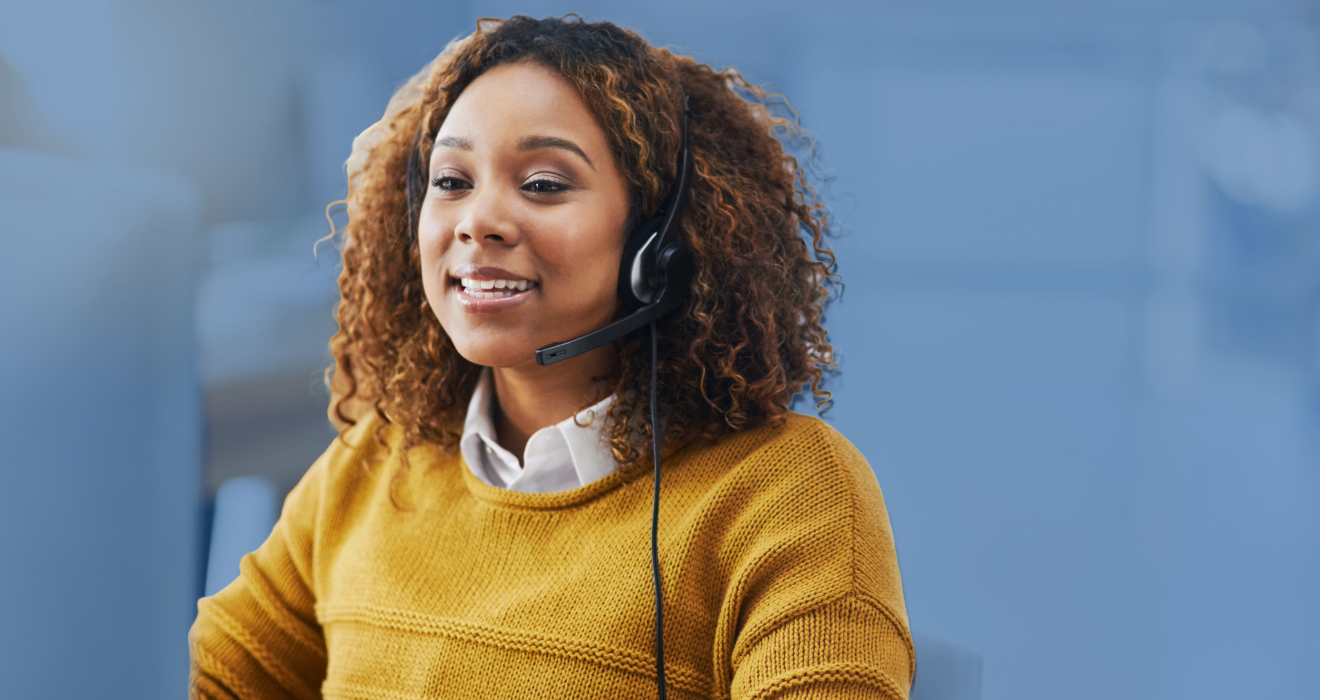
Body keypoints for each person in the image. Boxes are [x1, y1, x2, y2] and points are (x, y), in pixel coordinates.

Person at [189, 15, 914, 700]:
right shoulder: (374, 464)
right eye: (452, 182)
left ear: (656, 244)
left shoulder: (787, 494)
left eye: (543, 184)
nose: (479, 222)